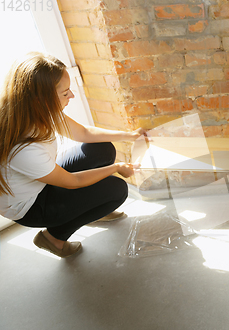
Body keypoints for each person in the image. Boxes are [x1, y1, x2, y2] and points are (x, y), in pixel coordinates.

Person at [0, 52, 147, 258]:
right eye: (65, 92)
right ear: (41, 99)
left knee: (103, 148)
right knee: (117, 189)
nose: (72, 97)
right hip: (30, 206)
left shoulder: (38, 110)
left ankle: (88, 205)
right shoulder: (24, 148)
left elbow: (84, 133)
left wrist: (130, 136)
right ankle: (54, 238)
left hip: (41, 180)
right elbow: (73, 181)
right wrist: (115, 168)